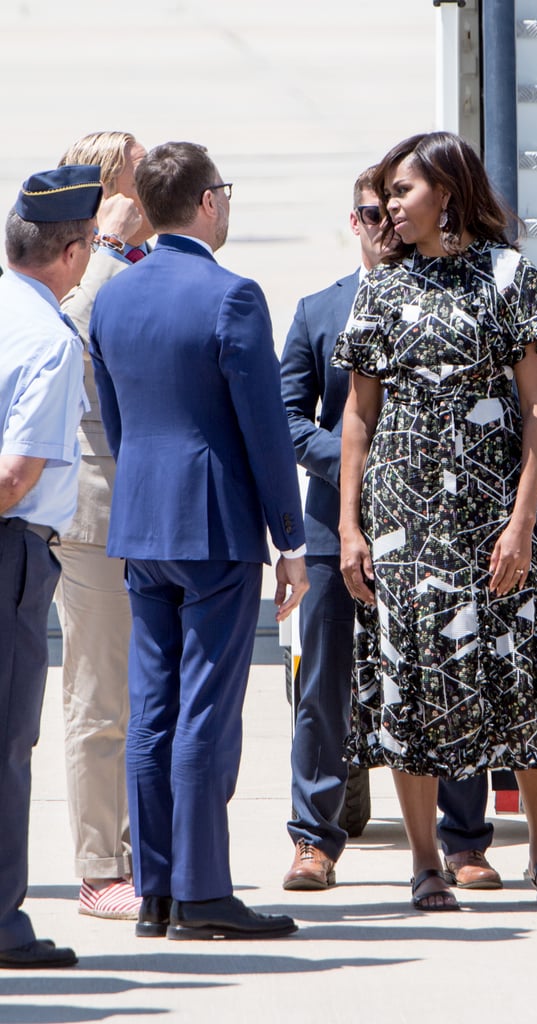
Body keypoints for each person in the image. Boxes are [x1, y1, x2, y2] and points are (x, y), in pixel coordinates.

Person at [333, 132, 537, 912]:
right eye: (386, 193)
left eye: (402, 191)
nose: (389, 205)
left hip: (495, 510)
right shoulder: (381, 289)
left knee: (522, 671)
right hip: (401, 516)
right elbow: (358, 418)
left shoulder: (508, 276)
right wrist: (349, 528)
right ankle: (426, 862)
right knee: (413, 683)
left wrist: (521, 523)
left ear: (448, 195)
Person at [89, 141, 309, 941]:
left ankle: (154, 890)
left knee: (152, 707)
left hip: (141, 518)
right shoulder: (231, 295)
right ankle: (203, 891)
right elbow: (265, 431)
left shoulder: (111, 297)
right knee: (206, 712)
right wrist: (290, 538)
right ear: (208, 203)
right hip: (212, 523)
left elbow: (118, 424)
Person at [280, 168, 501, 892]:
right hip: (331, 528)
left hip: (434, 531)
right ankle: (314, 841)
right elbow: (285, 418)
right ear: (353, 221)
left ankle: (464, 841)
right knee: (325, 687)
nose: (383, 225)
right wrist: (364, 468)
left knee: (446, 677)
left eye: (391, 210)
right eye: (369, 214)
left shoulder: (446, 300)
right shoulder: (319, 311)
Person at [0, 164, 102, 967]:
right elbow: (15, 476)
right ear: (70, 253)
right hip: (10, 550)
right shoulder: (46, 336)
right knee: (6, 739)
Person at [54, 131, 154, 922]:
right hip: (94, 512)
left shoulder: (146, 261)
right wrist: (110, 242)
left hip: (159, 507)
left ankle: (151, 848)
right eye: (137, 172)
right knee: (100, 696)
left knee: (157, 694)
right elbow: (70, 336)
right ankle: (99, 864)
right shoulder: (76, 265)